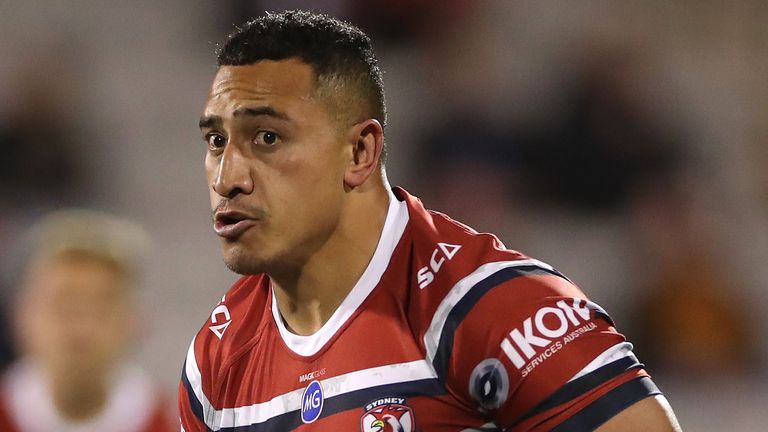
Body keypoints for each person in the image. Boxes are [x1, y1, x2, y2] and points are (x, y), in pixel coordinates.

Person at [179, 10, 681, 432]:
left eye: (266, 137)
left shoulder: (493, 307)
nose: (228, 178)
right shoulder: (216, 363)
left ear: (359, 152)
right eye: (216, 141)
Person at [0, 210, 176, 432]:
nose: (81, 329)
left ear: (135, 320)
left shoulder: (178, 423)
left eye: (99, 307)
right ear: (22, 315)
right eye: (63, 305)